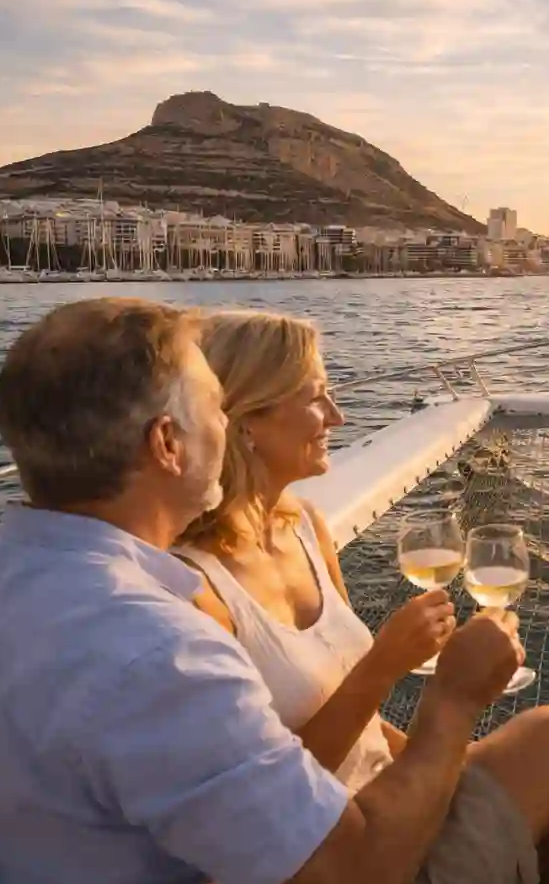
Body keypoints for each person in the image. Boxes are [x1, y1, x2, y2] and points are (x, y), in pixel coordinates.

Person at [0, 299, 549, 884]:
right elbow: (352, 882)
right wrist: (452, 699)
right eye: (214, 407)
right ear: (168, 443)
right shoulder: (156, 648)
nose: (227, 425)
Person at [173, 309, 450, 791]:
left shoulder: (305, 526)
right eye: (316, 398)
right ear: (245, 422)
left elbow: (364, 729)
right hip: (335, 849)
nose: (338, 418)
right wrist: (384, 666)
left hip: (390, 800)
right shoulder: (194, 589)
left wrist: (445, 768)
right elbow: (266, 798)